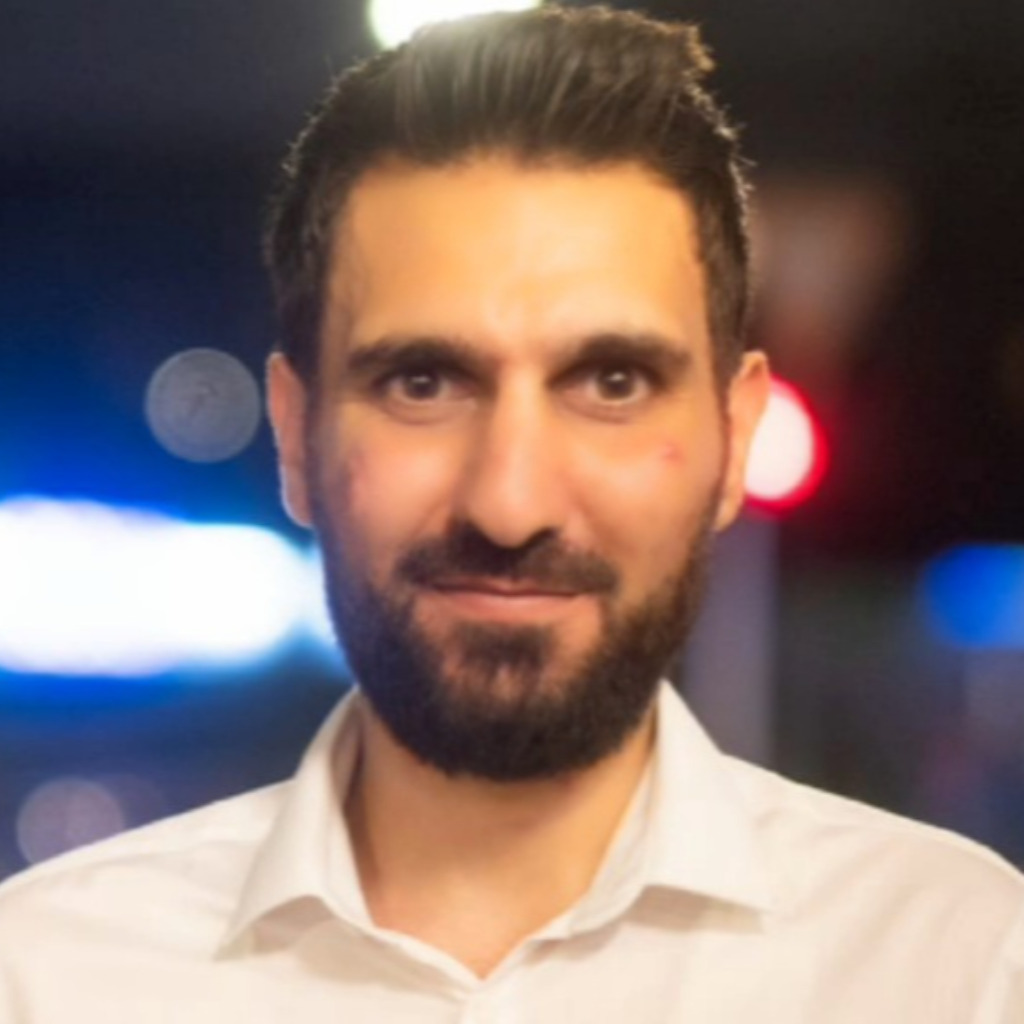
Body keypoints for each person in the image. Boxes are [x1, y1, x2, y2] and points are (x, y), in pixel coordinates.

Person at [0, 6, 1021, 1021]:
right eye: (423, 382)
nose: (509, 502)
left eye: (612, 381)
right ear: (297, 437)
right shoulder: (50, 977)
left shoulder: (960, 966)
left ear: (734, 437)